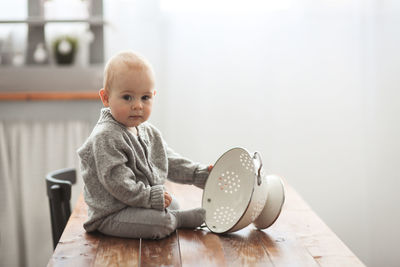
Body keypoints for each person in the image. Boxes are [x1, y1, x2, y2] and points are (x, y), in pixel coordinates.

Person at [77, 51, 212, 239]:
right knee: (162, 223)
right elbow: (119, 183)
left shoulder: (147, 131)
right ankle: (177, 221)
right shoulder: (106, 136)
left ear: (153, 96)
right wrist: (149, 197)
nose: (138, 105)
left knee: (172, 204)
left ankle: (174, 216)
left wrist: (198, 174)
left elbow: (167, 160)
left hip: (135, 203)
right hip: (111, 213)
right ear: (106, 98)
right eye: (127, 97)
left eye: (145, 97)